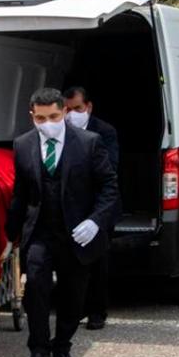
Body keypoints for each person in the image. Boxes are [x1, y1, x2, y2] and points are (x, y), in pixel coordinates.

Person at [6, 87, 119, 357]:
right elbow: (20, 195)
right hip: (40, 232)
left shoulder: (89, 143)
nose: (48, 122)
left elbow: (109, 188)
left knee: (72, 293)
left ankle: (62, 346)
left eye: (54, 116)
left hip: (76, 232)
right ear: (32, 116)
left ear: (65, 113)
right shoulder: (22, 144)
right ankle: (39, 350)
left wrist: (95, 221)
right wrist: (9, 236)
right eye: (41, 118)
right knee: (36, 289)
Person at [63, 86, 119, 331]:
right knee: (73, 261)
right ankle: (77, 308)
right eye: (68, 109)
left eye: (77, 108)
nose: (73, 114)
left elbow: (110, 168)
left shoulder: (104, 132)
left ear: (88, 107)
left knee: (98, 260)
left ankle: (98, 311)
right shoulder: (61, 132)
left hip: (99, 206)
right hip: (72, 205)